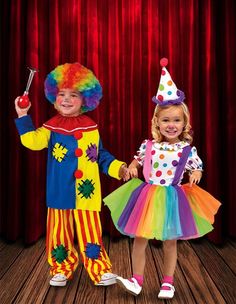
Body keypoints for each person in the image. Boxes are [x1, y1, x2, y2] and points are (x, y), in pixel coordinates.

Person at [104, 58, 221, 299]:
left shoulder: (187, 149)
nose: (171, 125)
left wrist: (196, 173)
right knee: (140, 239)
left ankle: (168, 282)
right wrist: (134, 167)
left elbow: (196, 167)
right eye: (166, 120)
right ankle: (137, 279)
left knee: (170, 241)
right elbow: (138, 159)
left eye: (176, 120)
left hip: (172, 198)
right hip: (147, 196)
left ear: (184, 123)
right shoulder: (149, 145)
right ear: (156, 122)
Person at [14, 62, 128, 287]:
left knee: (91, 233)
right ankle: (61, 267)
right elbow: (32, 142)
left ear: (85, 100)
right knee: (59, 233)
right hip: (59, 192)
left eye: (73, 95)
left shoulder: (91, 127)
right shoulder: (51, 127)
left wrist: (119, 168)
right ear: (54, 98)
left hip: (87, 192)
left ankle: (99, 269)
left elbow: (100, 156)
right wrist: (22, 115)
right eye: (62, 94)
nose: (66, 99)